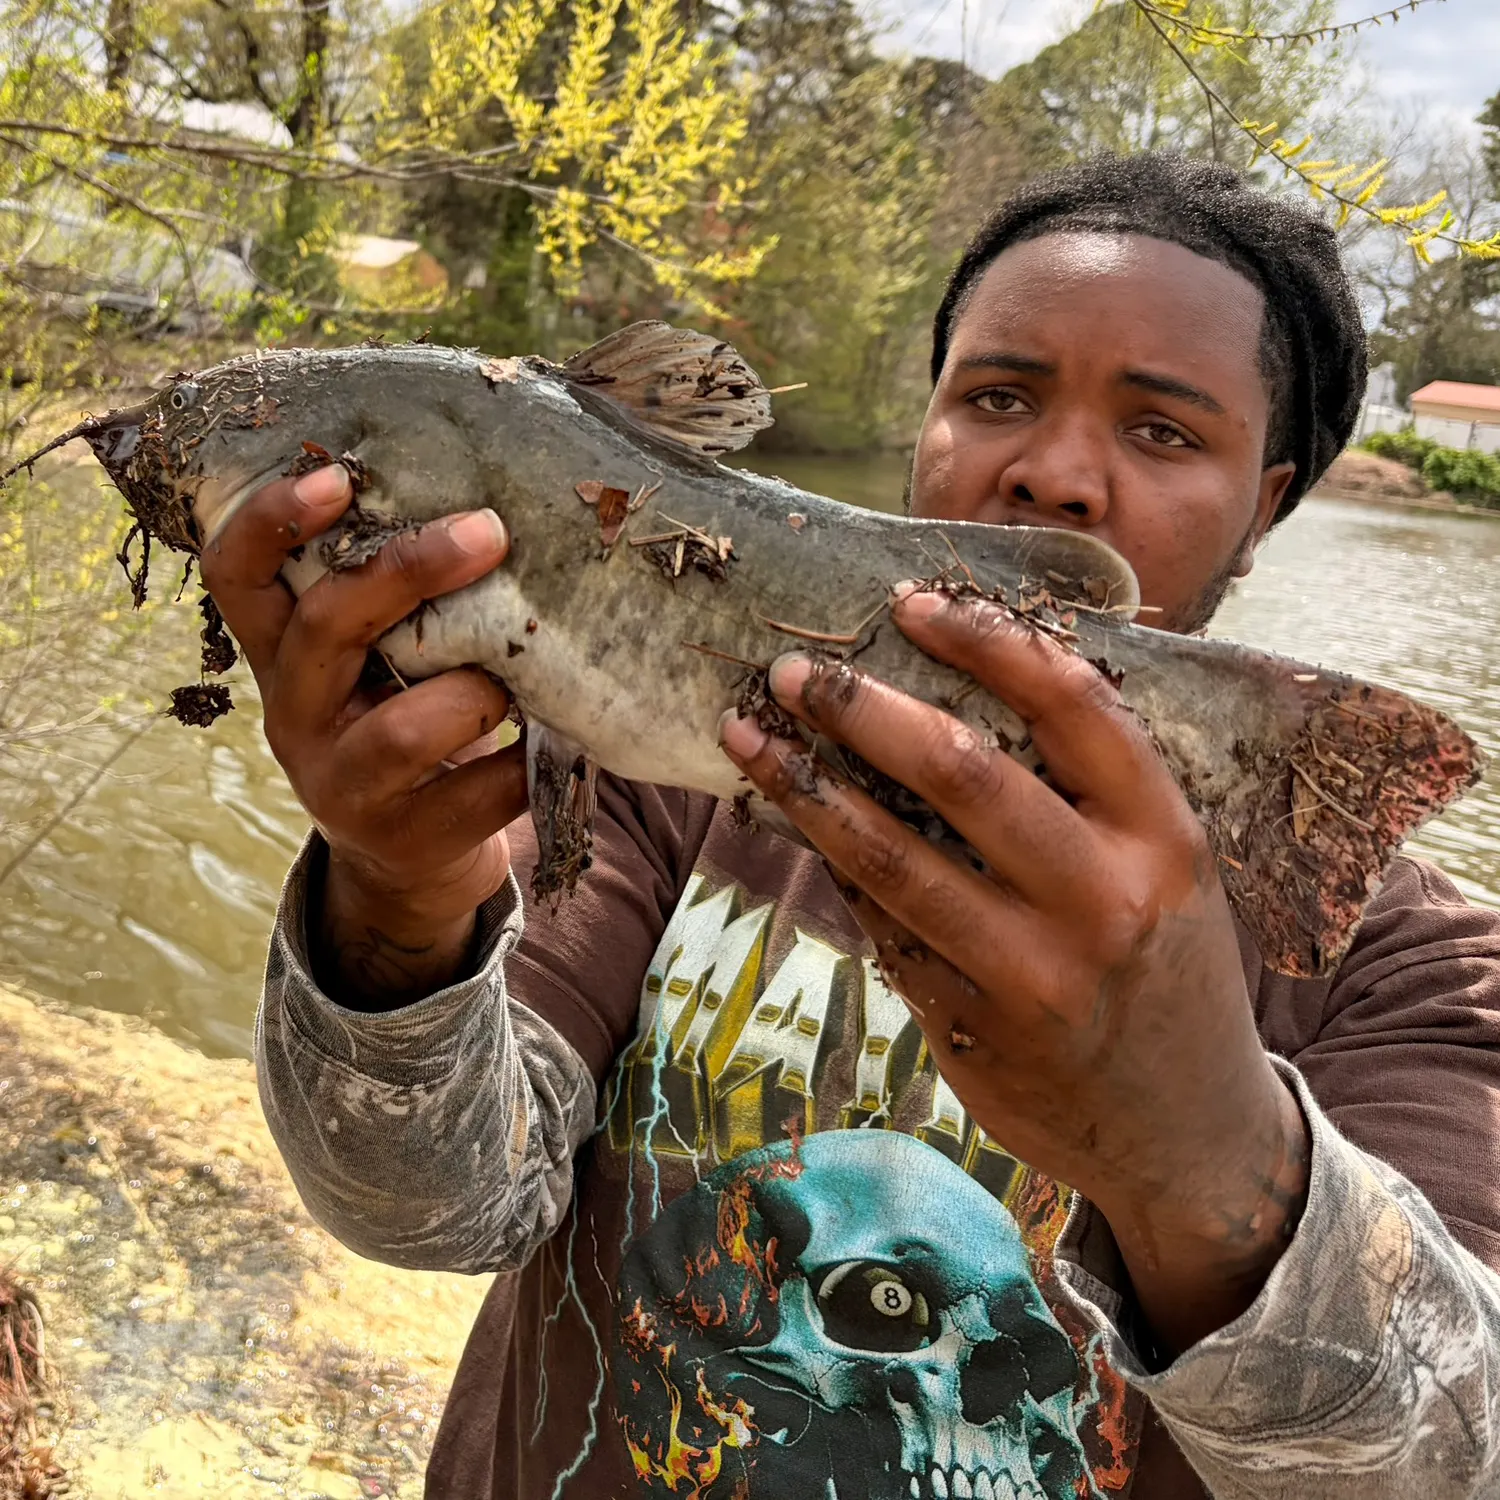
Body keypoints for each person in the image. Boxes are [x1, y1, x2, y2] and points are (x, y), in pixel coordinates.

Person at [201, 154, 1500, 1499]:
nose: (1055, 474)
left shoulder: (1411, 968)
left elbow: (1447, 1467)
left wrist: (1203, 1161)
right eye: (997, 396)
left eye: (1165, 432)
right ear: (923, 432)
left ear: (1266, 505)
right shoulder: (676, 771)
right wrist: (399, 899)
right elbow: (431, 1209)